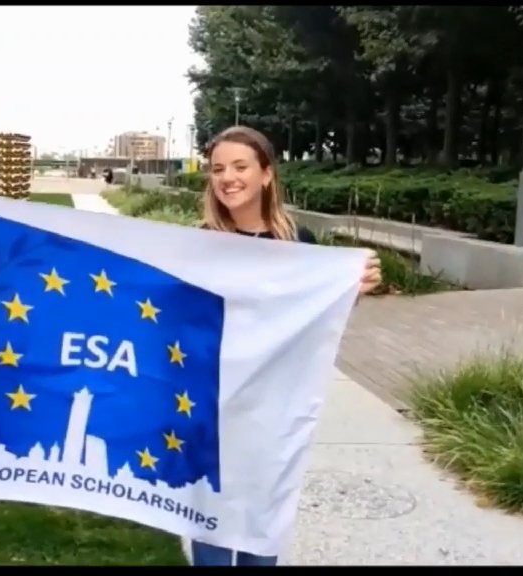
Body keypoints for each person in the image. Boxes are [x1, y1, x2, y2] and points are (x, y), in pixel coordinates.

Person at [187, 125, 382, 566]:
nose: (228, 178)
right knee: (211, 525)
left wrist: (350, 290)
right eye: (218, 169)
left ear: (267, 174)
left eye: (240, 166)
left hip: (272, 411)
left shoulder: (298, 244)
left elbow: (311, 323)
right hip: (211, 406)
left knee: (261, 530)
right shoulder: (197, 243)